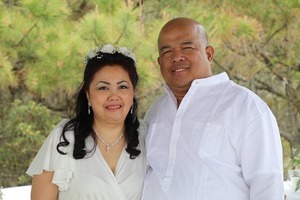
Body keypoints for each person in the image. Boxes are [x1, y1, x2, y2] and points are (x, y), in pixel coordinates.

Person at [141, 17, 284, 200]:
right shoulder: (155, 111)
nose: (176, 57)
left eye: (187, 47)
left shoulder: (245, 106)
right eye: (167, 51)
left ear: (209, 54)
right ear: (159, 62)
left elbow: (267, 184)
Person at [26, 44, 147, 200]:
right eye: (103, 88)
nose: (113, 96)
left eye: (122, 86)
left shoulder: (147, 135)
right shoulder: (64, 137)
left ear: (133, 93)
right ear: (88, 96)